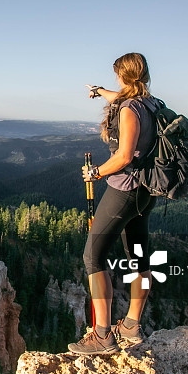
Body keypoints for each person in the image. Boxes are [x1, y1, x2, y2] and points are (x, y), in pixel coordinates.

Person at [68, 52, 159, 356]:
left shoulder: (130, 109)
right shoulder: (151, 102)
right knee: (138, 256)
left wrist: (95, 172)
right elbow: (122, 94)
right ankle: (131, 325)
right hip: (146, 190)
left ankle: (103, 335)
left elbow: (123, 157)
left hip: (125, 189)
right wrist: (100, 91)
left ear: (123, 74)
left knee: (93, 256)